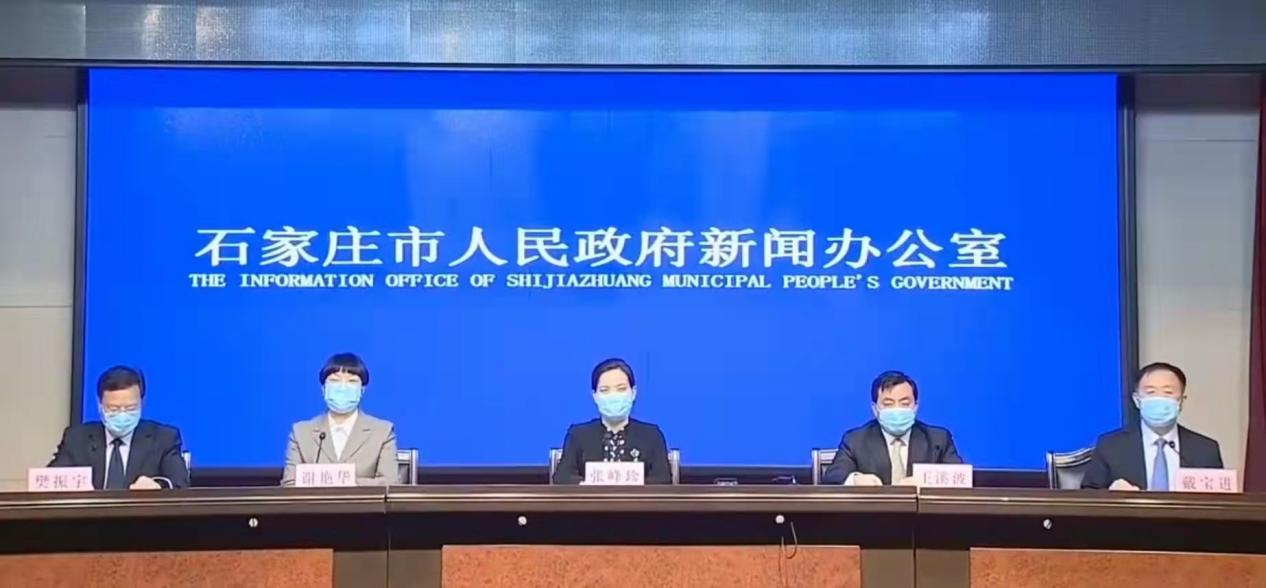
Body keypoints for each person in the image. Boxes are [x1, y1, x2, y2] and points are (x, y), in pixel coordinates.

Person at [1082, 362, 1223, 491]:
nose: (1159, 399)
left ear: (1181, 401)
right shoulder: (1110, 446)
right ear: (1137, 400)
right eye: (1151, 392)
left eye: (1168, 393)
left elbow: (1220, 501)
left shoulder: (1205, 450)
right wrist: (1112, 496)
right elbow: (1088, 494)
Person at [48, 366, 190, 490]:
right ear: (100, 405)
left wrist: (158, 486)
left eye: (130, 408)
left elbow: (180, 485)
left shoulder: (164, 439)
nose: (122, 415)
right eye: (114, 409)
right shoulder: (76, 439)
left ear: (142, 403)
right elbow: (49, 482)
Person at [822, 370, 962, 486]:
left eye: (904, 403)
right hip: (873, 511)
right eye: (888, 404)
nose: (897, 409)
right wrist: (855, 480)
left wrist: (926, 481)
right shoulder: (855, 440)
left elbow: (961, 477)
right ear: (875, 409)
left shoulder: (938, 439)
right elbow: (833, 476)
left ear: (916, 407)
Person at [281, 353, 398, 486]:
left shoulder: (382, 432)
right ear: (323, 389)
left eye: (351, 381)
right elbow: (290, 484)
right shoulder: (301, 433)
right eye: (335, 381)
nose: (343, 388)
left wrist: (343, 482)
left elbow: (390, 483)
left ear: (362, 390)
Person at [553, 358, 672, 484]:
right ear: (595, 396)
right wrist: (589, 486)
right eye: (604, 390)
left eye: (621, 389)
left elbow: (662, 479)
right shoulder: (578, 435)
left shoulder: (651, 435)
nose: (613, 396)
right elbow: (562, 477)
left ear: (633, 393)